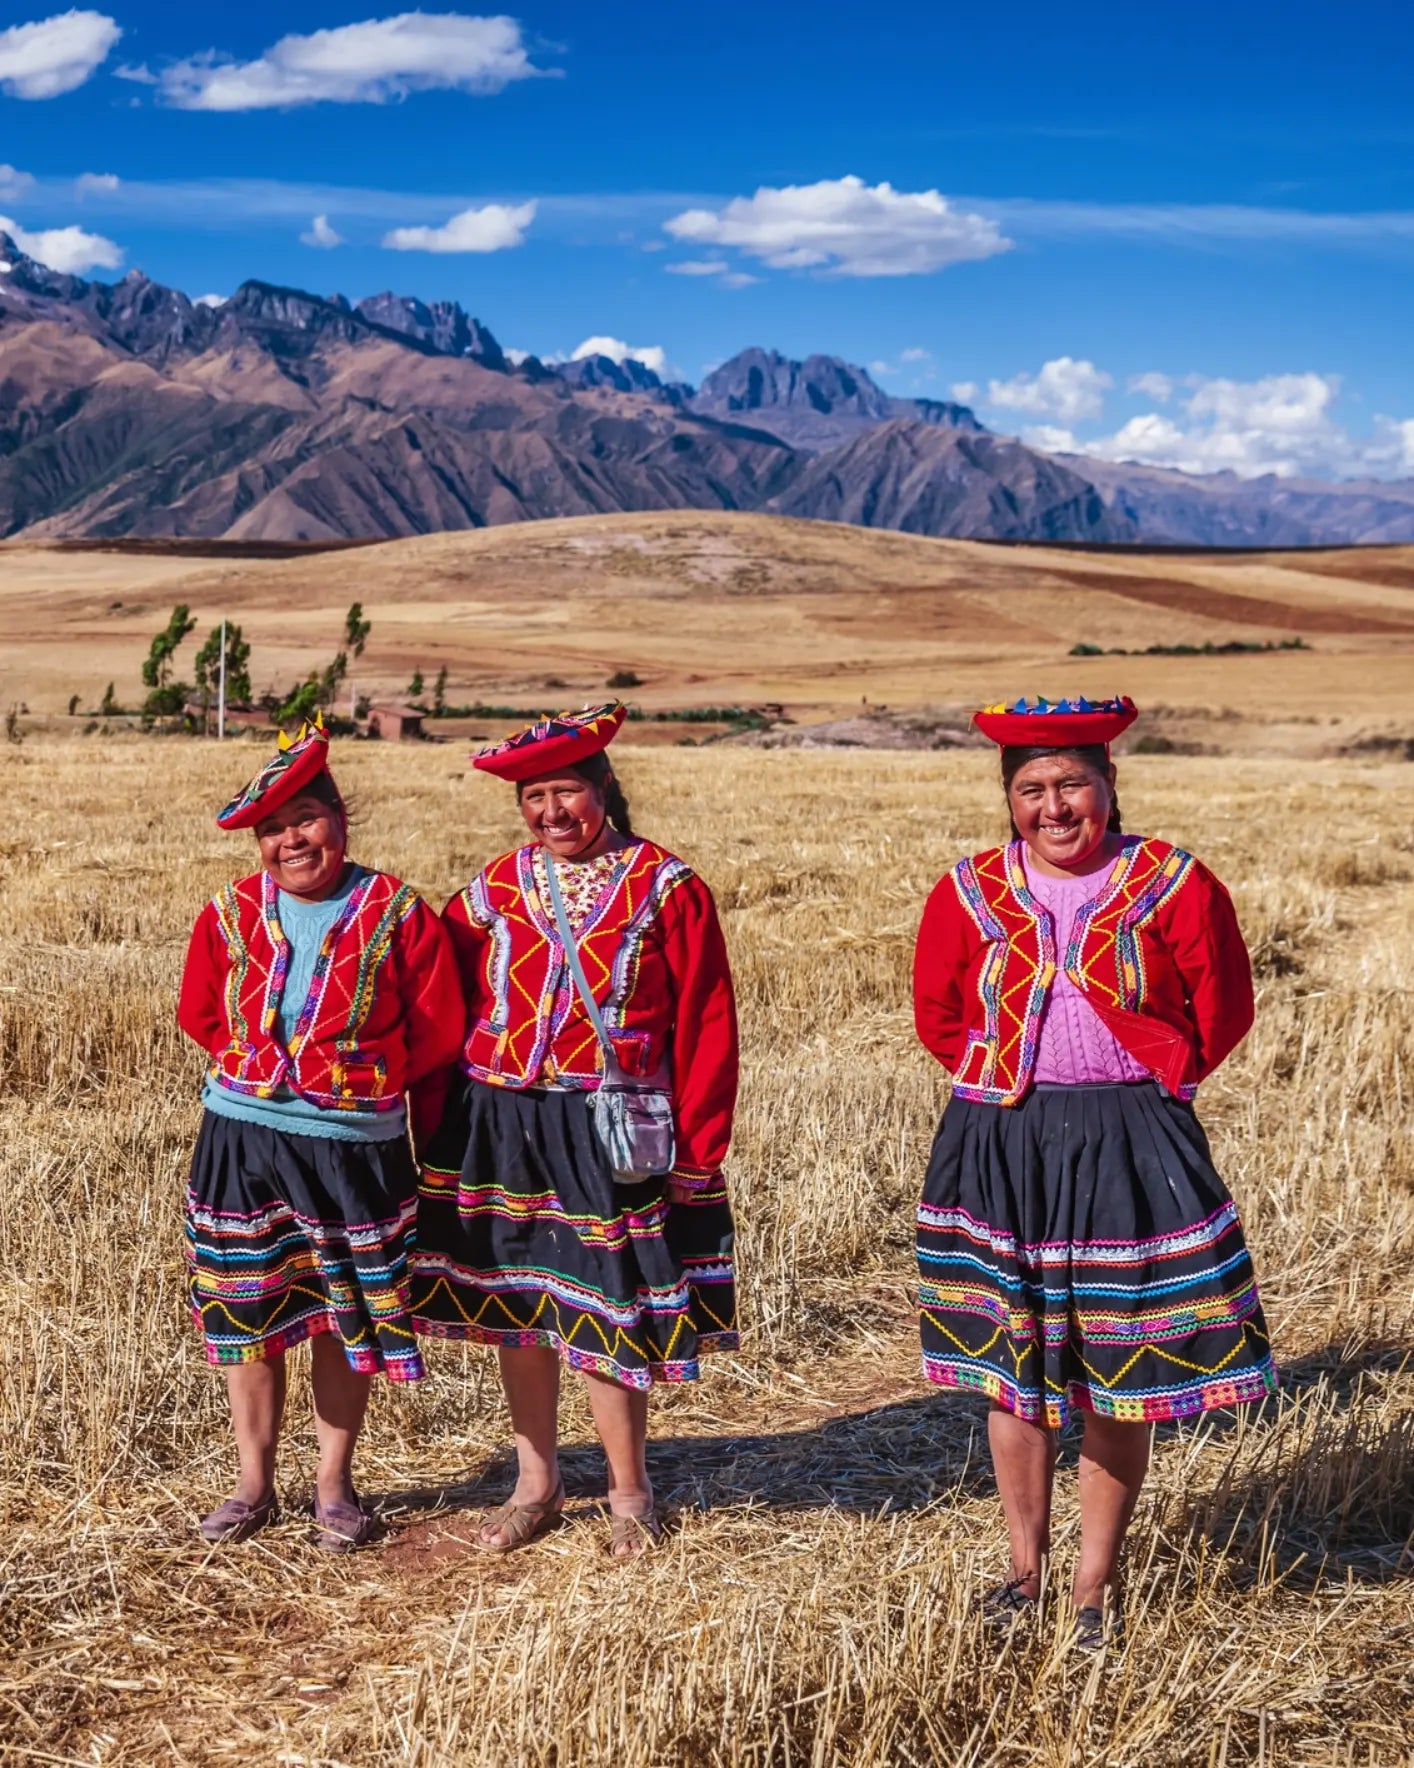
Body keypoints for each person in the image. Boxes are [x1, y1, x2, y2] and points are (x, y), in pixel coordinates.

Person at [912, 695, 1276, 1649]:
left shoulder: (1173, 881)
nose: (1054, 805)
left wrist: (1157, 1074)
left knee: (1126, 1363)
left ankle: (1091, 1588)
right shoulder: (968, 889)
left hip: (1130, 1135)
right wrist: (1002, 1081)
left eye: (1074, 782)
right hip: (1002, 1137)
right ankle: (1022, 1575)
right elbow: (939, 1010)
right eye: (1032, 788)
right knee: (1014, 1371)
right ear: (1009, 798)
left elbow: (1223, 1000)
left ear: (1110, 786)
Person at [411, 701, 739, 1557]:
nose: (553, 813)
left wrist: (700, 1149)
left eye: (568, 793)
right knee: (520, 1310)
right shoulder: (490, 891)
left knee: (605, 1309)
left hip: (605, 1126)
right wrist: (428, 1120)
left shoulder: (668, 888)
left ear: (604, 790)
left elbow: (706, 1022)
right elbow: (443, 1008)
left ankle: (630, 1490)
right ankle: (538, 1483)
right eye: (534, 797)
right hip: (500, 1116)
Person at [177, 716, 464, 1550]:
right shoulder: (229, 912)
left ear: (340, 820)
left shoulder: (399, 912)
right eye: (272, 829)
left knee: (347, 1318)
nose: (290, 840)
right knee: (249, 1314)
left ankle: (333, 1487)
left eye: (305, 818)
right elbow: (202, 1010)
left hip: (353, 1149)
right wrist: (261, 1071)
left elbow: (437, 1030)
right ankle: (252, 1485)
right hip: (240, 1139)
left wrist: (353, 1089)